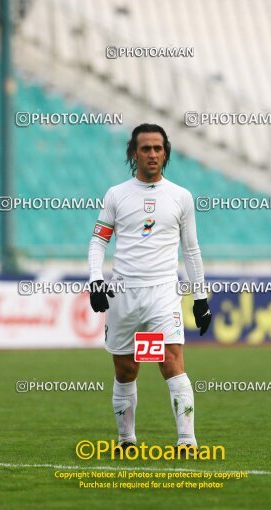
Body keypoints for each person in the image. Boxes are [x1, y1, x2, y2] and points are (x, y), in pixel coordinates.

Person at [88, 123, 211, 456]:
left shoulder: (181, 197)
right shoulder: (116, 194)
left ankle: (187, 442)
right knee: (126, 369)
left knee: (171, 362)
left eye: (158, 148)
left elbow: (191, 250)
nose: (153, 154)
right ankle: (126, 440)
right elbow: (98, 241)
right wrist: (95, 279)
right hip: (123, 293)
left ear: (166, 152)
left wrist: (200, 297)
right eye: (146, 148)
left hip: (162, 293)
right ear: (134, 152)